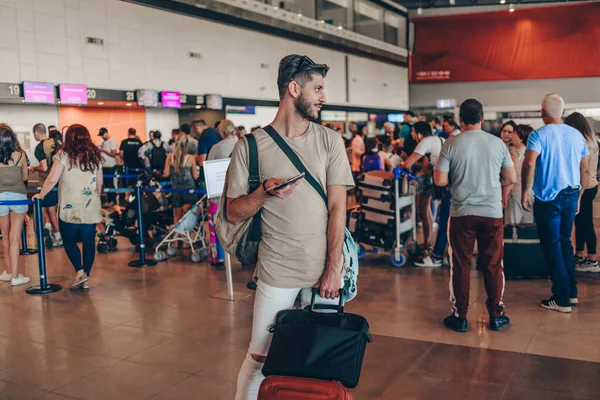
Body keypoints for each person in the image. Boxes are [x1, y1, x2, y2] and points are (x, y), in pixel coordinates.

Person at [227, 54, 354, 399]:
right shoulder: (250, 146)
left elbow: (338, 207)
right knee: (259, 357)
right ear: (294, 88)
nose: (324, 97)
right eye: (318, 88)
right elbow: (233, 212)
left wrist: (334, 268)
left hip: (323, 273)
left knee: (318, 359)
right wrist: (264, 193)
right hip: (276, 268)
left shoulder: (330, 141)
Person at [434, 98, 516, 332]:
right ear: (482, 118)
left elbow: (440, 180)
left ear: (461, 120)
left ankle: (460, 316)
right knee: (493, 263)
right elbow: (511, 178)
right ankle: (496, 314)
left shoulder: (452, 143)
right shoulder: (498, 144)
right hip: (492, 212)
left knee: (460, 264)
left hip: (462, 213)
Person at [522, 94, 589, 313]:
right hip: (571, 194)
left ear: (542, 112)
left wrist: (525, 190)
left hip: (548, 198)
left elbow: (530, 162)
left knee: (552, 247)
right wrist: (579, 196)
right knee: (564, 243)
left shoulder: (538, 135)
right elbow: (585, 169)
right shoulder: (577, 135)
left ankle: (561, 299)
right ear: (562, 110)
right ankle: (571, 292)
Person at [34, 124, 103, 289]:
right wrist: (94, 198)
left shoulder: (63, 155)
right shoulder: (94, 155)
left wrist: (41, 195)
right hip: (90, 204)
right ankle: (85, 276)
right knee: (88, 242)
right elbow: (99, 183)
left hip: (69, 206)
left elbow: (52, 179)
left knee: (69, 241)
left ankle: (79, 271)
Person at [400, 121, 445, 267]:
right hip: (443, 180)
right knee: (427, 212)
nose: (412, 135)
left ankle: (427, 246)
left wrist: (400, 163)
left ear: (419, 133)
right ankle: (428, 244)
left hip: (433, 181)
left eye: (413, 132)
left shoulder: (425, 141)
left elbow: (408, 163)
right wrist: (419, 174)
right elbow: (427, 167)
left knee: (423, 211)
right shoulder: (439, 140)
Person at [564, 112, 599, 273]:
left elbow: (582, 171)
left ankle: (592, 258)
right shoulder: (591, 141)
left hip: (585, 187)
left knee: (585, 223)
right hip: (590, 185)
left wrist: (579, 193)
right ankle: (579, 255)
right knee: (581, 222)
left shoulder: (583, 142)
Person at [0, 125, 31, 286]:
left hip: (0, 199)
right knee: (14, 237)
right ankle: (15, 276)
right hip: (18, 197)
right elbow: (25, 176)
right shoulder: (20, 155)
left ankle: (7, 272)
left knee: (5, 236)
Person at [30, 123, 63, 247]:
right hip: (60, 181)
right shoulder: (55, 143)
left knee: (49, 209)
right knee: (51, 209)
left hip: (47, 182)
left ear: (36, 133)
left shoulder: (39, 147)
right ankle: (51, 230)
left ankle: (58, 235)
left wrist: (34, 168)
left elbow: (43, 167)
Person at [163, 135, 199, 223]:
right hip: (189, 190)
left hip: (176, 190)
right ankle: (189, 233)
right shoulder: (190, 158)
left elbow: (166, 173)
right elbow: (195, 176)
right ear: (187, 144)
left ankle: (178, 234)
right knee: (191, 213)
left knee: (177, 215)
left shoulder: (169, 157)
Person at [503, 124, 534, 226]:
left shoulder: (515, 153)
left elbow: (512, 176)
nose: (511, 136)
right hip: (529, 193)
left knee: (512, 225)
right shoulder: (530, 152)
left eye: (514, 133)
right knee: (527, 225)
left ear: (521, 138)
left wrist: (505, 194)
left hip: (515, 193)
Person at [98, 127, 117, 205]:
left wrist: (103, 150)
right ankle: (109, 200)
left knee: (110, 183)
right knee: (106, 183)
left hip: (110, 166)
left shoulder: (112, 141)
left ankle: (113, 200)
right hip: (104, 165)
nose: (102, 137)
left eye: (103, 135)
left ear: (106, 133)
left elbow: (113, 154)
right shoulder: (103, 142)